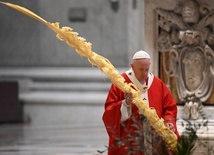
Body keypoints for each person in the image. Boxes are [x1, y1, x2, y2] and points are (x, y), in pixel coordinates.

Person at [102, 50, 179, 155]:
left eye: (147, 69)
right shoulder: (121, 82)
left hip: (153, 140)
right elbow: (109, 112)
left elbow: (169, 108)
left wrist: (169, 122)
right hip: (130, 140)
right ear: (132, 66)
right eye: (141, 70)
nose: (144, 73)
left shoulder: (156, 83)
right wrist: (125, 104)